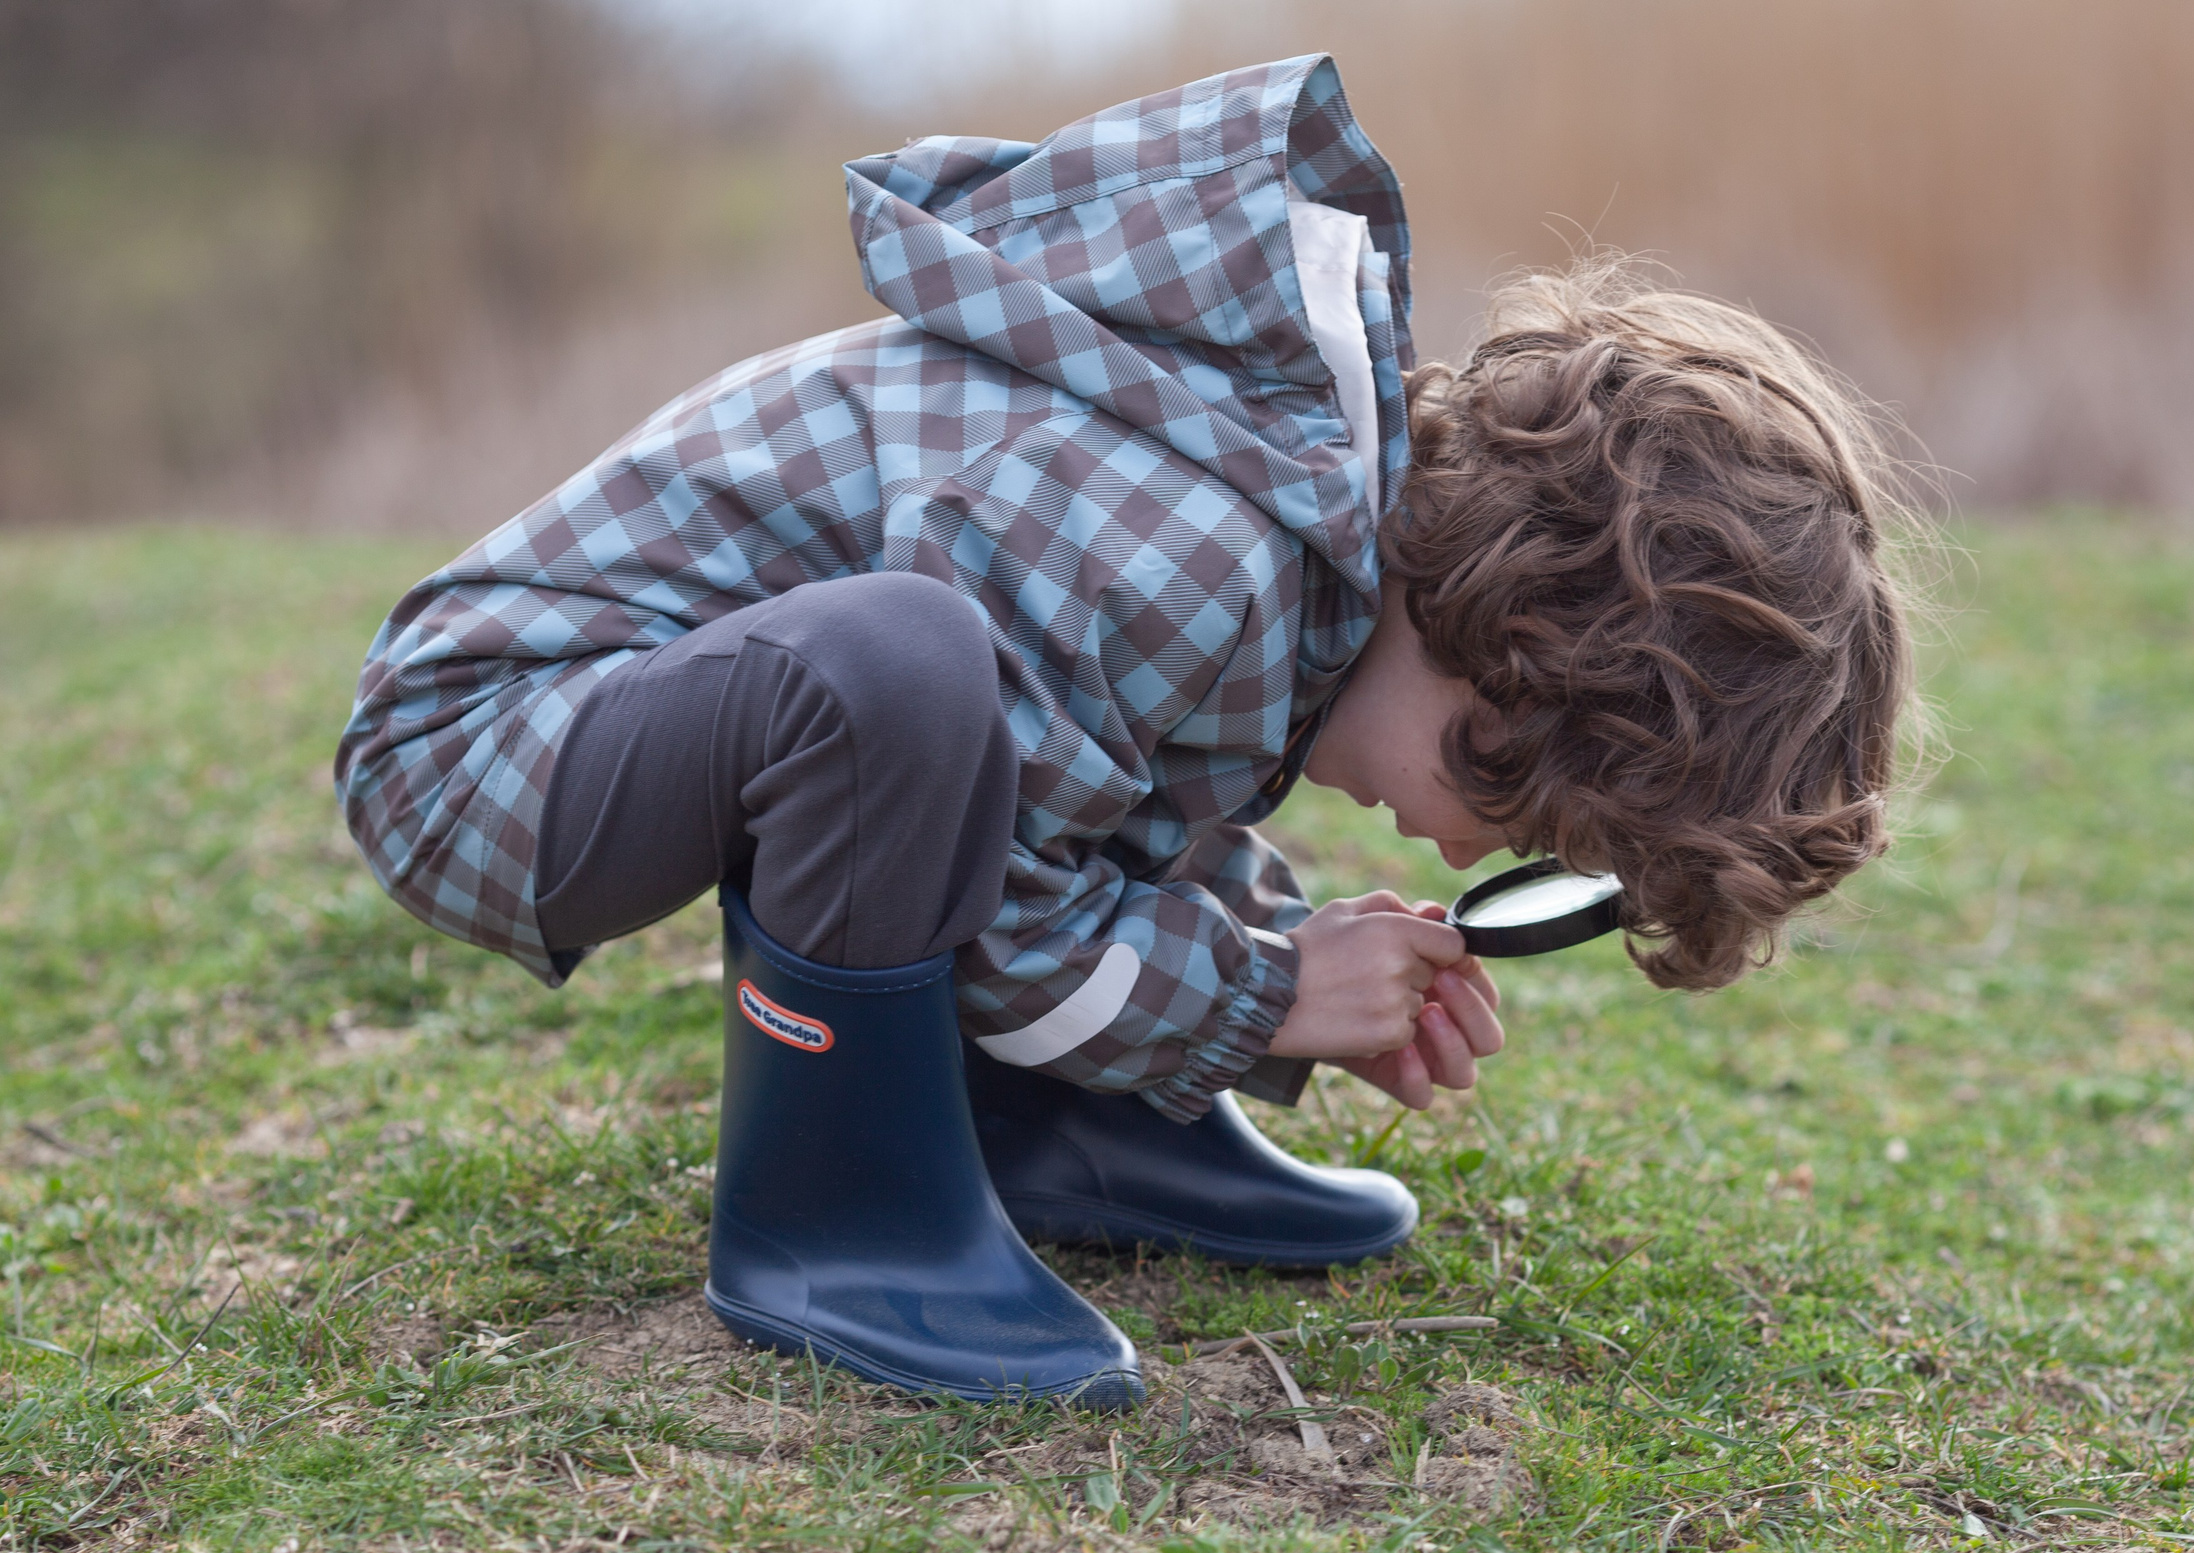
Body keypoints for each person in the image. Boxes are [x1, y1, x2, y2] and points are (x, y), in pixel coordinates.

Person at [334, 57, 1917, 1411]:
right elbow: (1004, 911)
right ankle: (842, 1223)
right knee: (899, 669)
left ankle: (1056, 1132)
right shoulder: (1203, 552)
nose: (1480, 847)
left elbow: (1079, 788)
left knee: (946, 692)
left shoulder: (1292, 548)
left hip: (627, 729)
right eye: (1525, 807)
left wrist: (1275, 971)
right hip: (487, 748)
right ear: (1509, 657)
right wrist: (1260, 994)